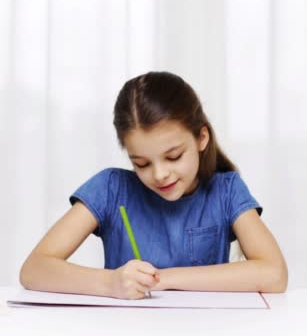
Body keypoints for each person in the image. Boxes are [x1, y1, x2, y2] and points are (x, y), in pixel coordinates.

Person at [20, 71, 288, 299]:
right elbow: (34, 269)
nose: (159, 174)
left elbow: (274, 274)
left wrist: (163, 278)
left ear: (201, 138)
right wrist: (110, 283)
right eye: (142, 163)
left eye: (173, 157)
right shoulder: (111, 189)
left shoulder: (226, 191)